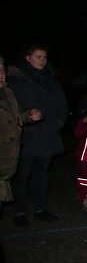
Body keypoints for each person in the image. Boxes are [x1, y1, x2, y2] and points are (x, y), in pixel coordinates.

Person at [7, 43, 68, 226]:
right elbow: (11, 107)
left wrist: (58, 123)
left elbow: (61, 106)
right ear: (28, 58)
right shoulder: (17, 79)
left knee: (41, 174)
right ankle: (20, 212)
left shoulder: (51, 80)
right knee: (22, 175)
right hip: (26, 135)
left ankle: (40, 208)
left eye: (44, 57)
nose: (42, 60)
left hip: (47, 135)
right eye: (38, 57)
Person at [0, 55, 41, 218]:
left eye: (2, 69)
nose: (1, 73)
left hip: (5, 167)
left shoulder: (7, 93)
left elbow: (15, 118)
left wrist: (29, 116)